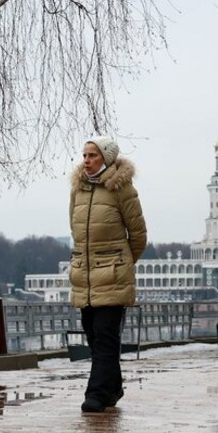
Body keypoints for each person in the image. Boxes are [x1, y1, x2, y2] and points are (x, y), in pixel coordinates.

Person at [68, 135, 148, 413]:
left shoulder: (122, 189)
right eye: (85, 155)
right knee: (93, 335)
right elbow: (75, 231)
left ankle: (96, 394)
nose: (86, 160)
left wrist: (121, 263)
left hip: (112, 275)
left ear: (107, 158)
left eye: (93, 155)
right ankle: (113, 387)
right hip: (86, 276)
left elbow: (138, 235)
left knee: (105, 336)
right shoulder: (78, 190)